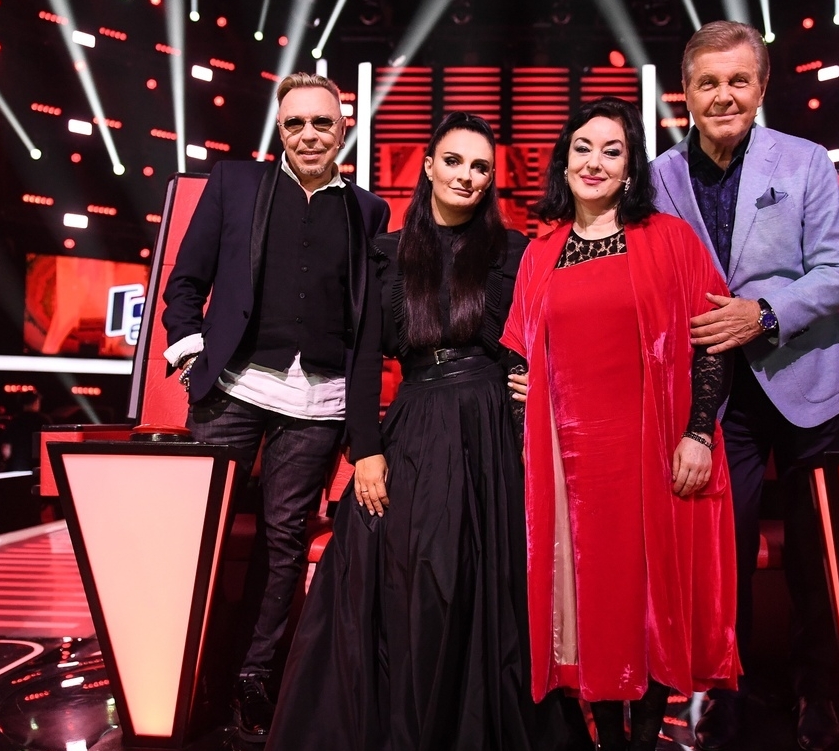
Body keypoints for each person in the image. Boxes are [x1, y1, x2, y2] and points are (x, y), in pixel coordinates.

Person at [267, 112, 582, 751]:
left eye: (480, 166)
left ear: (491, 180)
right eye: (455, 161)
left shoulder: (514, 251)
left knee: (489, 580)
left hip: (492, 429)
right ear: (430, 166)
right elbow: (362, 357)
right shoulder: (383, 252)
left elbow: (551, 337)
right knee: (406, 573)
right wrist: (366, 451)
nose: (467, 175)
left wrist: (543, 386)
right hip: (412, 423)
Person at [649, 20, 839, 751]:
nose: (724, 96)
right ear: (685, 93)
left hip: (810, 380)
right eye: (708, 83)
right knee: (724, 554)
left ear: (761, 87)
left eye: (738, 81)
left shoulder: (804, 161)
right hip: (716, 398)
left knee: (813, 553)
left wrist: (763, 314)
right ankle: (728, 690)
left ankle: (817, 692)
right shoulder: (657, 176)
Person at [502, 96, 740, 751]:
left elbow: (713, 341)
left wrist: (698, 432)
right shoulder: (540, 252)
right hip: (570, 467)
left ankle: (643, 739)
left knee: (649, 601)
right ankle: (609, 737)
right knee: (591, 603)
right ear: (564, 161)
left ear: (631, 168)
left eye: (612, 150)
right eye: (582, 147)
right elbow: (520, 354)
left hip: (653, 452)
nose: (595, 161)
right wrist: (528, 409)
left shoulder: (670, 239)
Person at [161, 72, 390, 742]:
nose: (308, 134)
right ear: (279, 130)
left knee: (283, 543)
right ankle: (183, 671)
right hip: (231, 389)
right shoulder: (235, 184)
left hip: (317, 403)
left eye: (322, 122)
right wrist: (189, 352)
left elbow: (367, 321)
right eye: (295, 123)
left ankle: (252, 681)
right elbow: (185, 281)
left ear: (343, 129)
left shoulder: (369, 211)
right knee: (198, 535)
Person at [1, 391, 50, 471]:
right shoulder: (44, 421)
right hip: (39, 467)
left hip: (17, 466)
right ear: (36, 402)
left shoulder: (15, 421)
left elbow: (6, 450)